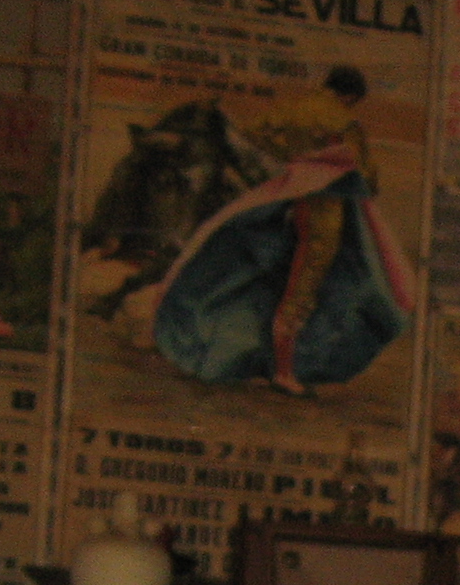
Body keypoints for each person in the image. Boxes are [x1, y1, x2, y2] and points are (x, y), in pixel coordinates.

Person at [152, 65, 416, 395]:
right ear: (350, 96)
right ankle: (284, 372)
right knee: (303, 289)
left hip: (292, 205)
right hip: (325, 216)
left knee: (279, 280)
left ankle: (270, 362)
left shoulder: (294, 109)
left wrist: (294, 162)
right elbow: (367, 177)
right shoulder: (346, 122)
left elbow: (252, 133)